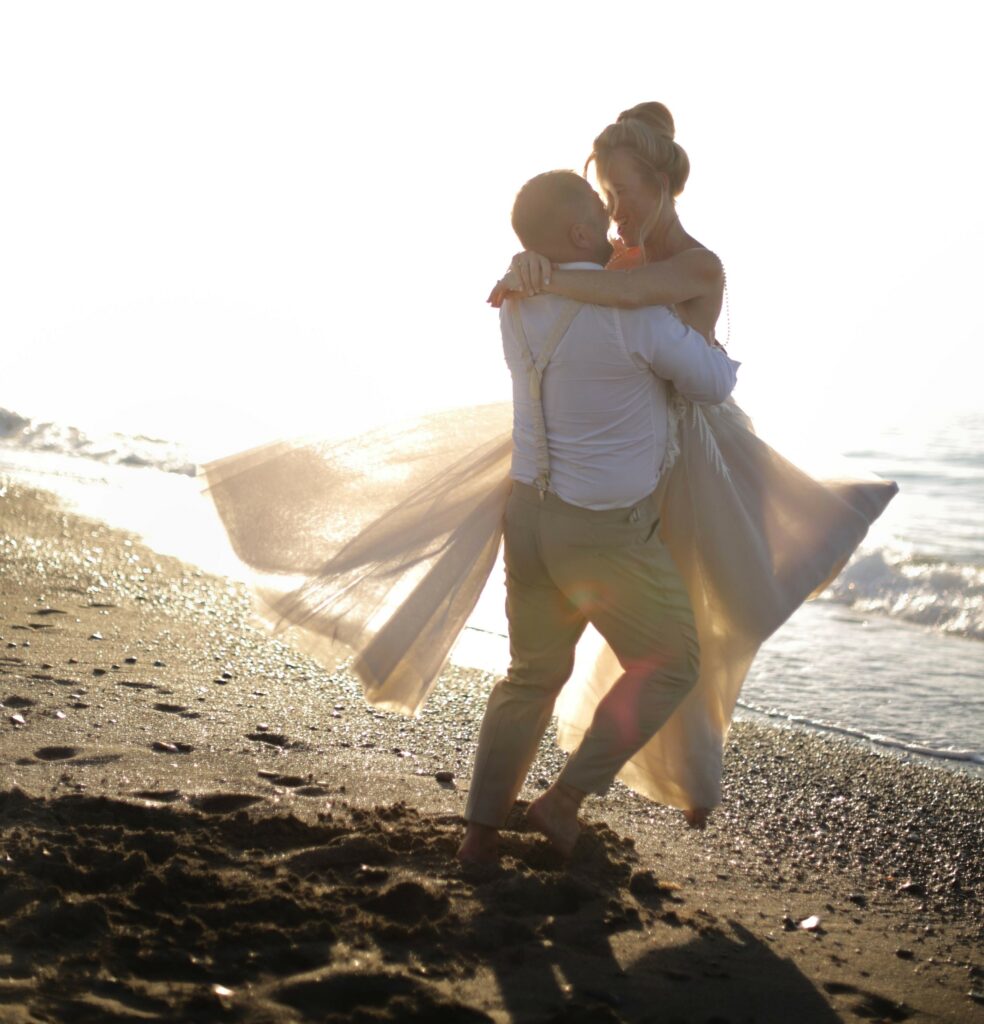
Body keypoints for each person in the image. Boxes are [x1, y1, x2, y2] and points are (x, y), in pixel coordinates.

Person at [201, 103, 896, 854]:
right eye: (603, 196)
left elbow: (626, 299)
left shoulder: (685, 269)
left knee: (609, 651)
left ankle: (512, 824)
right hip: (613, 495)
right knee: (664, 653)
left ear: (664, 184)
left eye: (623, 192)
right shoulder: (599, 273)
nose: (614, 210)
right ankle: (562, 803)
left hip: (669, 467)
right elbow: (635, 320)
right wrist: (543, 269)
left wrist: (537, 273)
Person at [456, 169, 740, 865]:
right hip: (604, 530)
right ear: (581, 233)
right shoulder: (634, 316)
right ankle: (563, 800)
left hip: (527, 514)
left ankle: (479, 838)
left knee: (530, 675)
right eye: (600, 215)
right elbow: (714, 383)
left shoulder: (516, 299)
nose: (616, 226)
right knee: (672, 660)